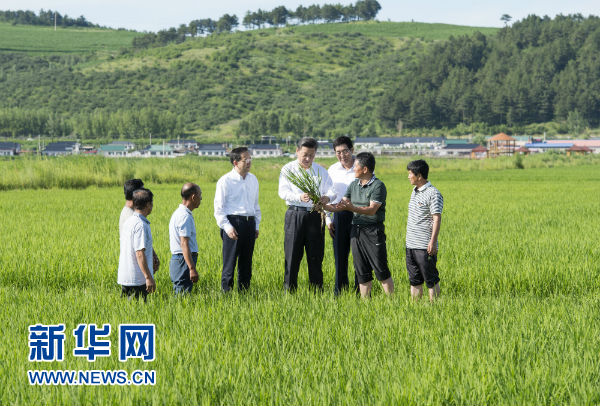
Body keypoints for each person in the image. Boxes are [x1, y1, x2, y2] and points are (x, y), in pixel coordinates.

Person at [278, 137, 336, 292]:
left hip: (315, 216)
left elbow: (332, 190)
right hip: (295, 215)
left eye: (311, 155)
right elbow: (282, 192)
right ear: (297, 151)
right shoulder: (288, 169)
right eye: (305, 155)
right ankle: (289, 292)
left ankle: (316, 292)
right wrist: (299, 197)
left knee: (315, 256)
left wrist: (327, 197)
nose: (308, 159)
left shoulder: (320, 171)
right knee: (292, 256)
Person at [336, 152, 394, 298]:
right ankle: (365, 303)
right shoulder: (353, 184)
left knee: (381, 269)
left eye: (355, 166)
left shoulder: (378, 186)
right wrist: (323, 206)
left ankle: (392, 302)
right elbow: (342, 204)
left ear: (365, 169)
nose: (353, 169)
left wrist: (352, 208)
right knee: (362, 271)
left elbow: (372, 210)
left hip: (373, 231)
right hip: (356, 231)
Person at [214, 147, 261, 292]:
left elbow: (255, 205)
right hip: (233, 223)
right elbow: (218, 209)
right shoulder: (225, 181)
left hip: (249, 223)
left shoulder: (253, 179)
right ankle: (226, 295)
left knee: (246, 263)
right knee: (230, 263)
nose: (249, 162)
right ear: (235, 162)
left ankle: (244, 294)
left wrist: (256, 225)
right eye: (245, 160)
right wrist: (227, 227)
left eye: (250, 159)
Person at [324, 136, 359, 295]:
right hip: (339, 215)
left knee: (359, 256)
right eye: (338, 152)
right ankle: (340, 292)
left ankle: (361, 292)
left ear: (352, 150)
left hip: (359, 215)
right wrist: (328, 218)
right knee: (340, 256)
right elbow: (327, 195)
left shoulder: (362, 166)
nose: (342, 155)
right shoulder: (332, 170)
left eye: (345, 151)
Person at [406, 159, 443, 302]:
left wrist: (432, 242)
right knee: (414, 280)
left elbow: (436, 219)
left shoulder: (433, 193)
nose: (408, 176)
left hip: (424, 246)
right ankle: (416, 308)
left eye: (410, 174)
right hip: (410, 244)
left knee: (430, 279)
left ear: (419, 175)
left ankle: (435, 307)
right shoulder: (414, 191)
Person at [117, 188, 156, 300]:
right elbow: (139, 253)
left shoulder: (129, 222)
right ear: (148, 204)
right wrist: (148, 277)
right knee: (137, 309)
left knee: (127, 308)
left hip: (126, 276)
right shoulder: (140, 225)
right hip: (137, 279)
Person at [169, 183, 202, 294]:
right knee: (182, 294)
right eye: (200, 195)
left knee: (181, 292)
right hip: (183, 260)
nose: (201, 198)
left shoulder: (179, 213)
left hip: (181, 259)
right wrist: (192, 268)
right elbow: (184, 243)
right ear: (193, 197)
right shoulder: (184, 216)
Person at [120, 179, 159, 273]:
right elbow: (139, 249)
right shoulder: (132, 217)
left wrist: (152, 255)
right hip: (136, 267)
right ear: (136, 194)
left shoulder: (130, 213)